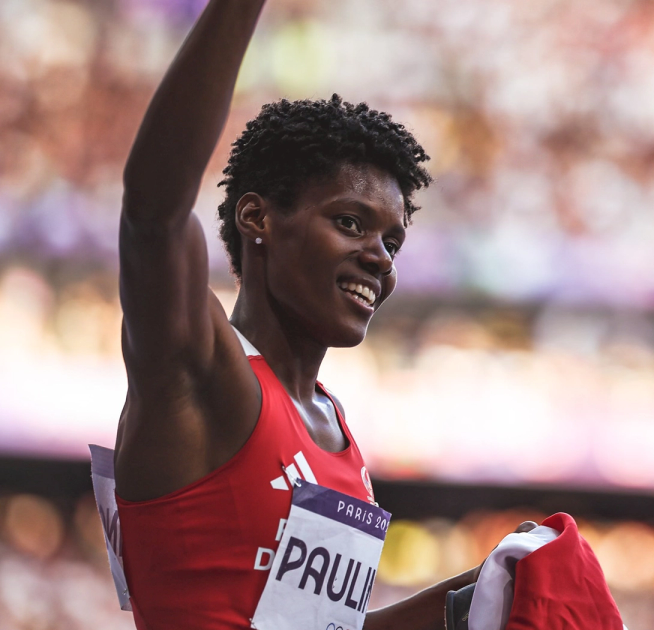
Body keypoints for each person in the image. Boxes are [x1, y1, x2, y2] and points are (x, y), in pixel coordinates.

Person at [112, 1, 530, 628]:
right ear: (257, 219)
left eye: (392, 243)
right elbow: (153, 214)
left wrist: (487, 591)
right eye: (350, 223)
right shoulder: (202, 372)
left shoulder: (336, 430)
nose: (379, 260)